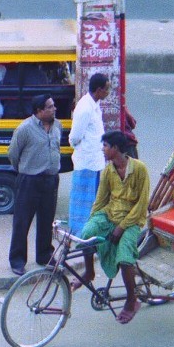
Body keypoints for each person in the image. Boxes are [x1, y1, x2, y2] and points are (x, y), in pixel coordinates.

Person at [75, 130, 150, 324]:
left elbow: (141, 205)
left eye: (105, 146)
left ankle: (132, 300)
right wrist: (92, 222)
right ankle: (89, 272)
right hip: (109, 214)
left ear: (115, 149)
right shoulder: (108, 170)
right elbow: (100, 200)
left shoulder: (140, 169)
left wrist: (122, 227)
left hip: (132, 220)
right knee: (87, 234)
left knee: (125, 258)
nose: (102, 149)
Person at [7, 94, 61, 275]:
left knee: (47, 220)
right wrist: (24, 170)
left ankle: (45, 255)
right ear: (39, 111)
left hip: (51, 180)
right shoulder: (25, 129)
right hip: (29, 180)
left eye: (54, 106)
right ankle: (17, 260)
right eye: (50, 107)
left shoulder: (57, 126)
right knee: (22, 222)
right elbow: (13, 154)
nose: (54, 109)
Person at [67, 73, 111, 235]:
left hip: (96, 162)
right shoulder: (84, 107)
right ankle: (81, 236)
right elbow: (75, 136)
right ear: (99, 90)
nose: (108, 92)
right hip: (86, 162)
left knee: (94, 202)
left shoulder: (95, 104)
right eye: (106, 89)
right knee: (83, 204)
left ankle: (91, 235)